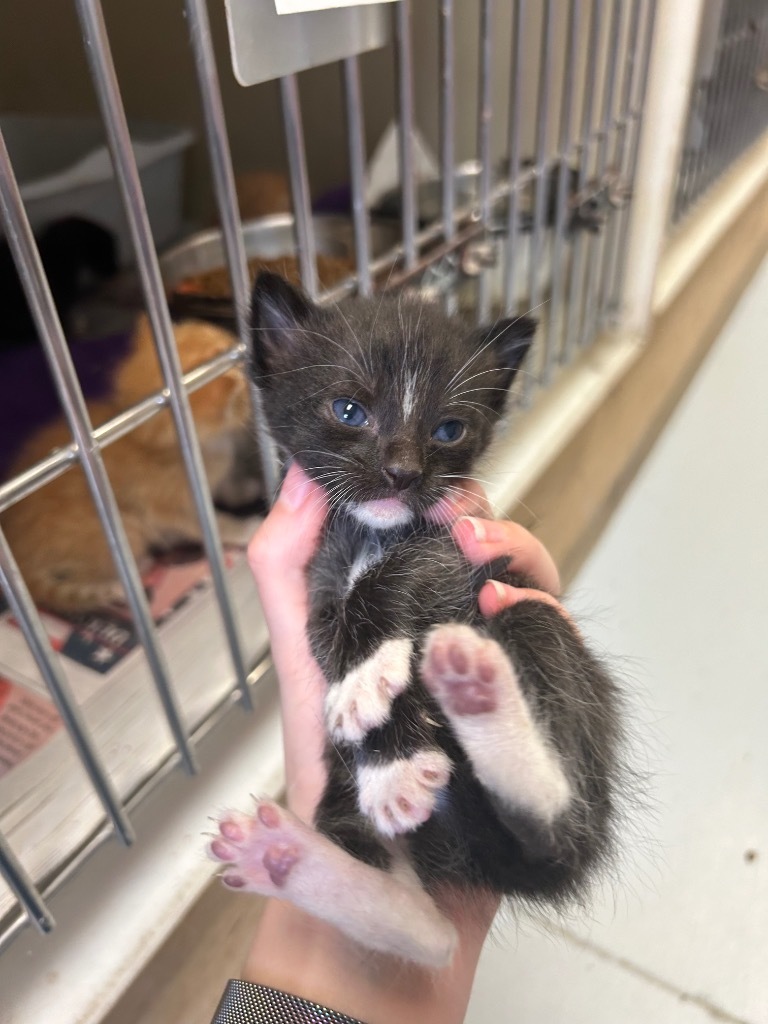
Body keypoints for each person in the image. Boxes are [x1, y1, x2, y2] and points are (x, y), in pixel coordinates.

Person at [210, 464, 566, 1024]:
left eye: (446, 429)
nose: (400, 464)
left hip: (477, 773)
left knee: (529, 629)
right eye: (351, 412)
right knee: (352, 795)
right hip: (473, 817)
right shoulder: (341, 540)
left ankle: (523, 776)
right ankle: (399, 891)